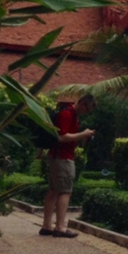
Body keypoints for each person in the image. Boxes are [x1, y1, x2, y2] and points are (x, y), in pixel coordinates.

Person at [40, 94, 96, 238]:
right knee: (65, 191)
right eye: (87, 109)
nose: (86, 113)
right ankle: (60, 227)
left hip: (57, 156)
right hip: (62, 157)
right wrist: (83, 134)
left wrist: (82, 136)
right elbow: (62, 136)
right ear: (82, 103)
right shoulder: (67, 114)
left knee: (53, 190)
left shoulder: (70, 114)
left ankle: (47, 225)